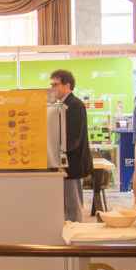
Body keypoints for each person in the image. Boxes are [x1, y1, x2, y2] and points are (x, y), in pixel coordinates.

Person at [50, 70, 93, 222]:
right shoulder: (60, 105)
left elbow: (73, 138)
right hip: (64, 163)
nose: (52, 88)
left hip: (72, 164)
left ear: (67, 85)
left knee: (73, 207)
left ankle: (76, 234)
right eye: (51, 85)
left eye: (55, 84)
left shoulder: (75, 105)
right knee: (65, 206)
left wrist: (56, 153)